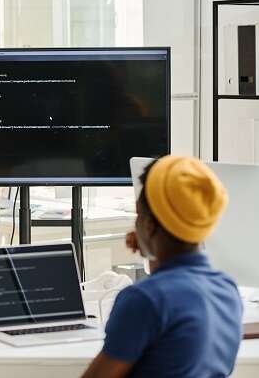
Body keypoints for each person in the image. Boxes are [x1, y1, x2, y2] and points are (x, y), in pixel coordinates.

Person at [82, 155, 244, 378]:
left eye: (138, 215)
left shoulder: (143, 300)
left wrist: (149, 244)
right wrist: (149, 243)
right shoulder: (227, 290)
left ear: (149, 226)